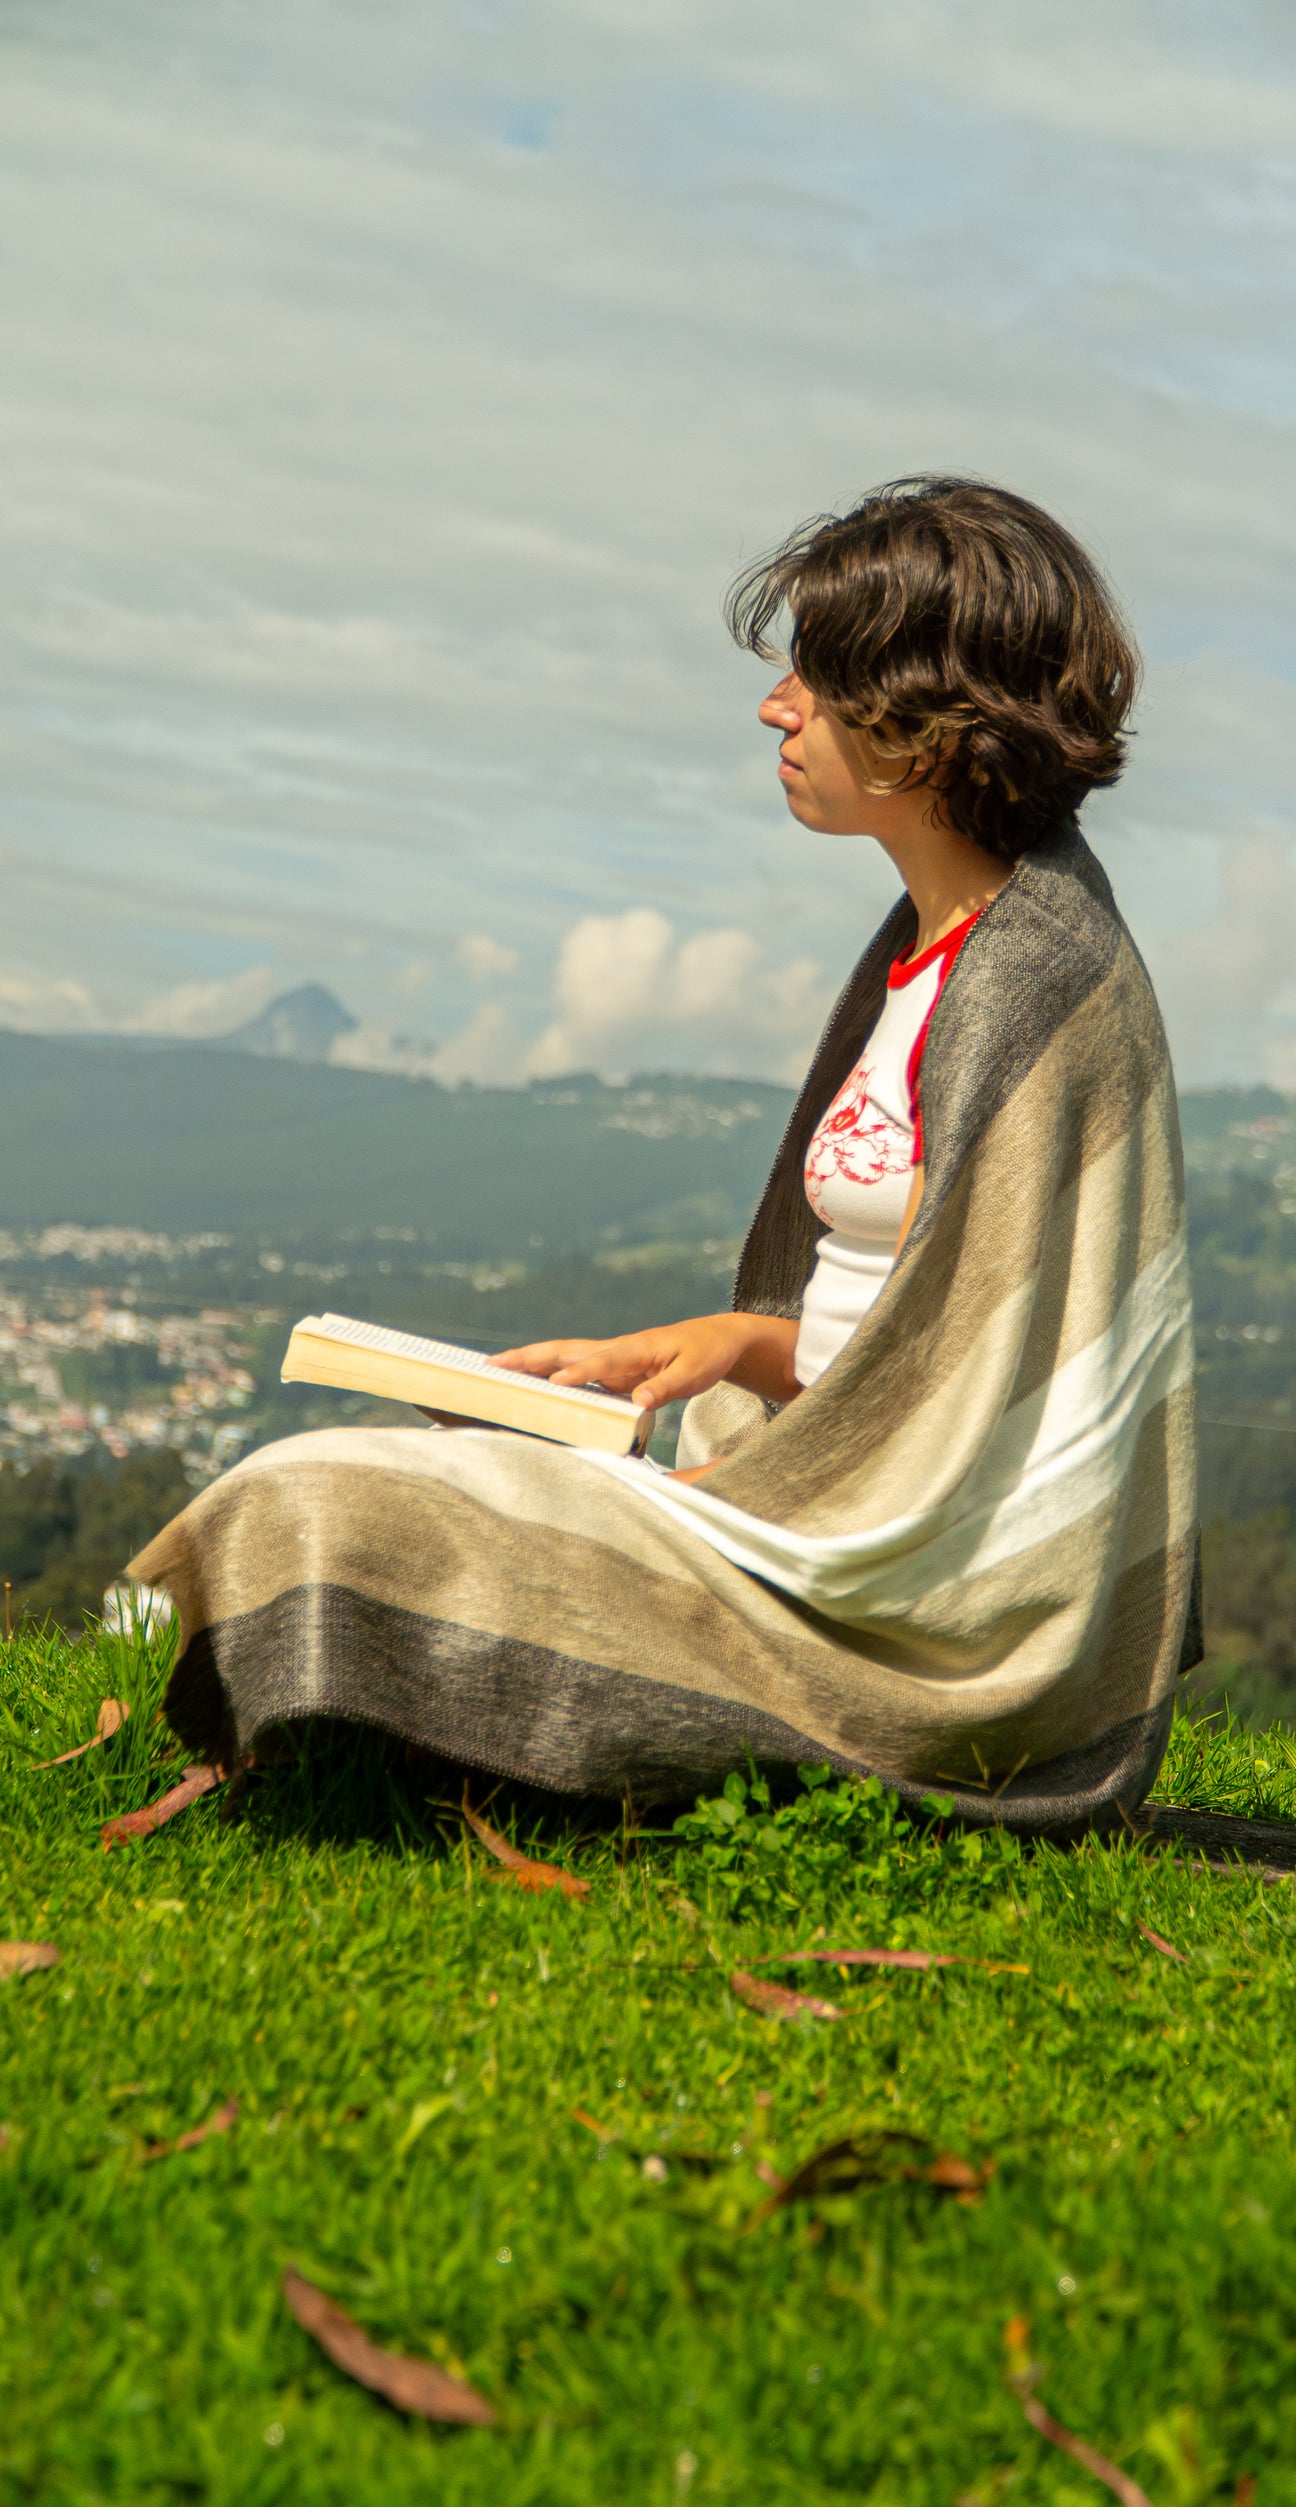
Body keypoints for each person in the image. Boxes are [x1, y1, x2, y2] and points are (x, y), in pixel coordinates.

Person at [131, 476, 1200, 1835]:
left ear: (930, 719)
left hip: (914, 1611)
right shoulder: (938, 950)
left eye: (817, 680)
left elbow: (993, 1431)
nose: (776, 708)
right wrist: (716, 1347)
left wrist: (682, 1499)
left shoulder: (1039, 986)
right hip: (818, 1514)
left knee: (315, 1504)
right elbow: (917, 1342)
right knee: (381, 1478)